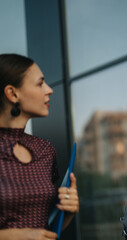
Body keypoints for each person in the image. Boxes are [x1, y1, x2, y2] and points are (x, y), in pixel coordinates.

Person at [0, 54, 79, 240]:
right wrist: (11, 236)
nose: (49, 90)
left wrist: (66, 212)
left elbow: (47, 228)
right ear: (12, 93)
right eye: (40, 83)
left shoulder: (44, 150)